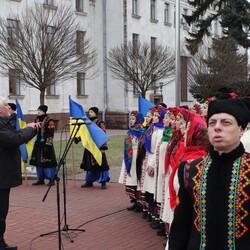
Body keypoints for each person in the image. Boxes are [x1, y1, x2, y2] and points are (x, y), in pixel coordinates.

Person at [169, 97, 250, 250]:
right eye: (212, 123)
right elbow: (180, 226)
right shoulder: (189, 170)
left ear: (241, 129)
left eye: (226, 123)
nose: (217, 127)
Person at [0, 97, 38, 250]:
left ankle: (0, 241)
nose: (9, 107)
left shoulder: (3, 122)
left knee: (2, 211)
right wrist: (30, 129)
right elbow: (14, 139)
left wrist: (28, 127)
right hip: (1, 176)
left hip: (3, 175)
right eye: (5, 105)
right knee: (0, 212)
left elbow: (14, 132)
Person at [118, 111, 144, 211]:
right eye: (130, 119)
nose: (131, 121)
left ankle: (139, 202)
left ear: (138, 120)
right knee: (130, 180)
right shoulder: (130, 131)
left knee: (135, 180)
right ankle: (134, 200)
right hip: (129, 158)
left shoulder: (141, 132)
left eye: (133, 119)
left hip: (136, 159)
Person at [79, 107, 110, 189]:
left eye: (91, 112)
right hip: (89, 147)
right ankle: (89, 181)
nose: (90, 113)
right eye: (89, 112)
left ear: (96, 113)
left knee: (100, 163)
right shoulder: (86, 123)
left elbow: (103, 135)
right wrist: (78, 138)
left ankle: (103, 181)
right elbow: (84, 133)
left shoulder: (100, 123)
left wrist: (103, 147)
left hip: (98, 147)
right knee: (89, 163)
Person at [30, 105, 57, 186]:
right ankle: (40, 179)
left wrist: (48, 144)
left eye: (40, 110)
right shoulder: (36, 119)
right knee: (38, 160)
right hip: (38, 143)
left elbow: (51, 133)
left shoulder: (50, 120)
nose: (38, 112)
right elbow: (34, 131)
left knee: (47, 161)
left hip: (46, 143)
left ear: (44, 111)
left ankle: (51, 179)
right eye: (38, 110)